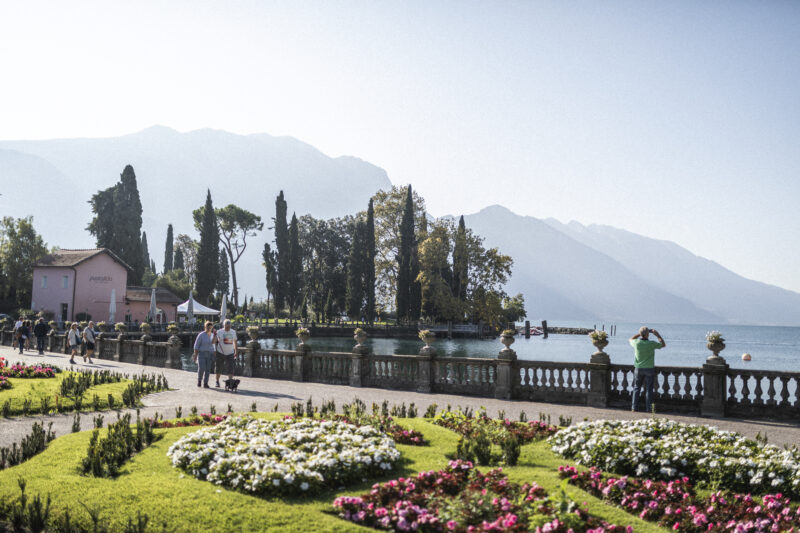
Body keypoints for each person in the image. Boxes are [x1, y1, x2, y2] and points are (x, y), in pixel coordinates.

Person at [630, 326, 666, 412]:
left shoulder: (636, 343)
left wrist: (640, 334)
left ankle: (634, 407)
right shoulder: (651, 343)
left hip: (638, 368)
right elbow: (663, 345)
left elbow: (631, 339)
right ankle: (649, 408)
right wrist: (657, 335)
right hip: (649, 368)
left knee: (636, 388)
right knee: (649, 389)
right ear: (648, 334)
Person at [214, 319, 238, 388]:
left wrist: (236, 352)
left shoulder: (233, 332)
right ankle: (217, 381)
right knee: (218, 367)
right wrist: (215, 336)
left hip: (230, 353)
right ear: (223, 325)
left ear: (230, 326)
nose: (227, 328)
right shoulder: (219, 332)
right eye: (226, 326)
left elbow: (235, 342)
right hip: (220, 352)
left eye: (229, 327)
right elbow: (214, 342)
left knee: (231, 368)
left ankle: (230, 382)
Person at [193, 321, 216, 388]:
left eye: (210, 328)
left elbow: (213, 344)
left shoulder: (212, 335)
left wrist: (215, 336)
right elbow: (196, 345)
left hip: (210, 353)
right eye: (208, 327)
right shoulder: (201, 335)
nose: (209, 329)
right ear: (205, 327)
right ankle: (199, 380)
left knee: (208, 369)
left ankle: (206, 383)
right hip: (202, 353)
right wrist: (195, 355)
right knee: (202, 368)